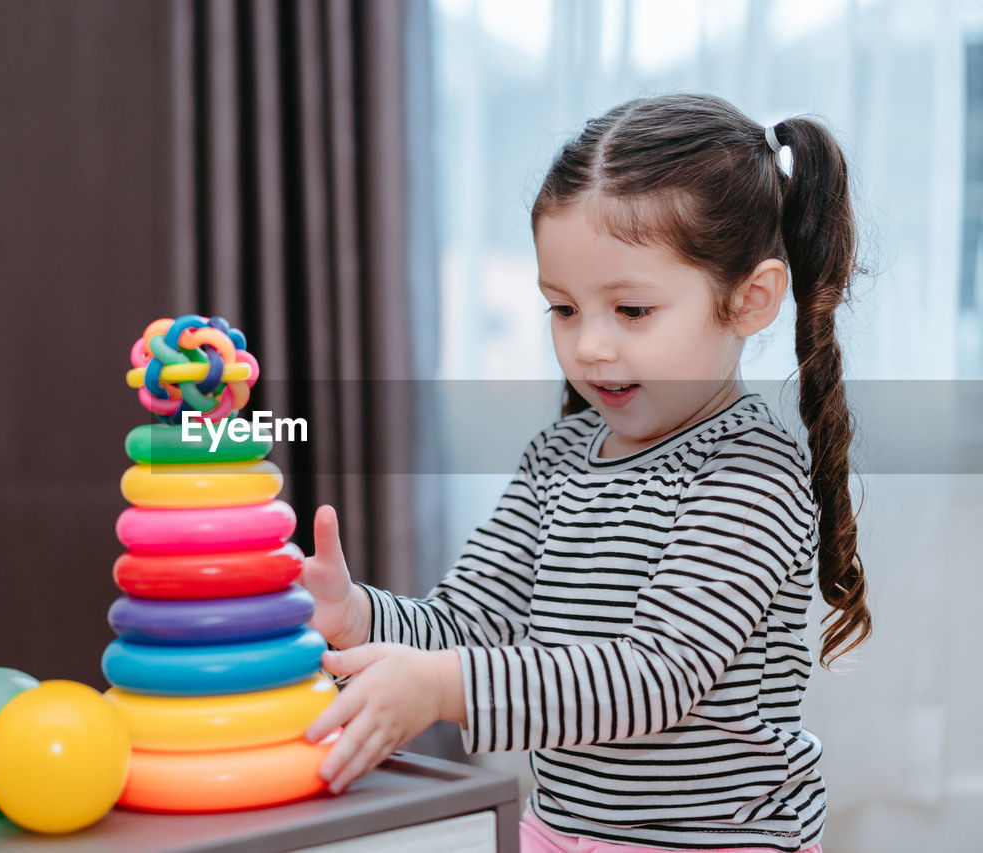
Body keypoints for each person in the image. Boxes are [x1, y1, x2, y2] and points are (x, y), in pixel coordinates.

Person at [301, 93, 872, 853]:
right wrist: (357, 616)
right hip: (562, 832)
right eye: (563, 309)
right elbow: (469, 622)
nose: (590, 346)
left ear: (749, 300)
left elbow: (655, 675)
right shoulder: (558, 458)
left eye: (631, 310)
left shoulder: (751, 476)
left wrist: (444, 688)